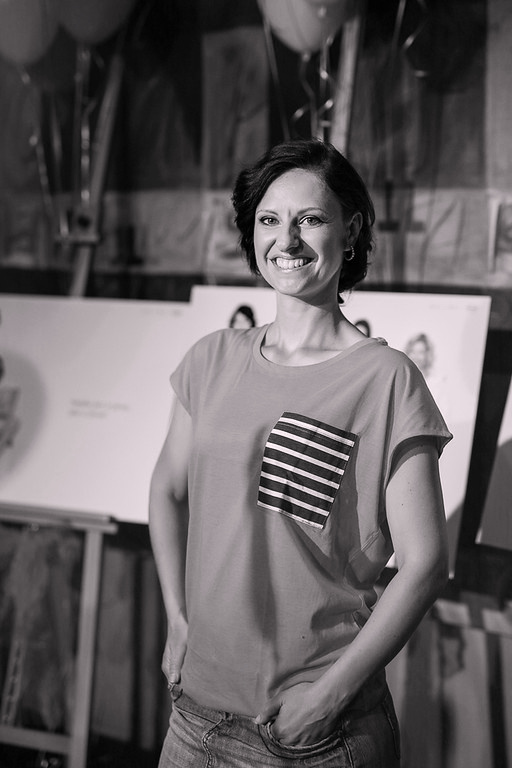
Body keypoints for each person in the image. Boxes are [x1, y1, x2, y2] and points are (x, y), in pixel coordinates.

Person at [149, 139, 452, 767]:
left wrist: (327, 699)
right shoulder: (212, 358)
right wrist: (177, 619)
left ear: (351, 231)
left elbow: (424, 564)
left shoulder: (385, 379)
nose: (285, 239)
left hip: (310, 736)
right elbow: (168, 489)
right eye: (269, 219)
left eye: (309, 219)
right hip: (192, 716)